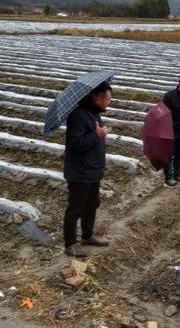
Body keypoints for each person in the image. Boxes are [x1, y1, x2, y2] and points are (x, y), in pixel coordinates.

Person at [63, 81, 112, 257]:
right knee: (75, 208)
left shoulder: (93, 114)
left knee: (92, 204)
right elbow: (75, 144)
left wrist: (98, 135)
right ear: (96, 98)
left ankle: (88, 235)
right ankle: (70, 244)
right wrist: (96, 135)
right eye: (107, 99)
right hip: (80, 171)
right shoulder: (77, 115)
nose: (109, 102)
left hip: (93, 169)